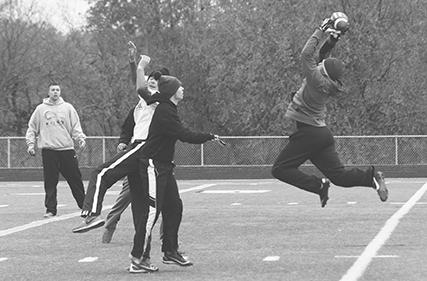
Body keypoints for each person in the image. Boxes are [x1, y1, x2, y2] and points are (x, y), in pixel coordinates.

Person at [271, 13, 389, 208]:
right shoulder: (325, 81)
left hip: (309, 133)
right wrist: (332, 39)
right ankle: (372, 177)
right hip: (321, 134)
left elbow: (306, 55)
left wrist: (321, 28)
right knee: (340, 177)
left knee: (280, 169)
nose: (320, 63)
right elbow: (322, 57)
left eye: (322, 65)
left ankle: (318, 185)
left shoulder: (315, 79)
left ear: (323, 71)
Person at [133, 74, 224, 268]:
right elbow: (183, 135)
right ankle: (138, 257)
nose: (183, 90)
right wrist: (209, 136)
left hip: (164, 166)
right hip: (153, 165)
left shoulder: (169, 108)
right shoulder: (165, 111)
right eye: (180, 87)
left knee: (174, 207)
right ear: (172, 91)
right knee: (151, 212)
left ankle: (170, 251)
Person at [102, 42, 169, 245]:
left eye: (155, 82)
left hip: (156, 156)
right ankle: (108, 227)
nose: (150, 83)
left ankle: (168, 240)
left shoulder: (161, 101)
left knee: (166, 200)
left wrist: (139, 66)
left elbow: (141, 86)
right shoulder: (139, 105)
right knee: (126, 196)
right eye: (149, 80)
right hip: (137, 152)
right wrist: (133, 63)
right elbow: (127, 126)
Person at [25, 81, 86, 218]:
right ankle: (51, 209)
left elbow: (75, 126)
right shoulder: (40, 109)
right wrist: (30, 144)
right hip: (49, 151)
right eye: (52, 90)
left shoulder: (68, 108)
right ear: (48, 92)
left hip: (66, 150)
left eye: (57, 90)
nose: (55, 92)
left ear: (60, 92)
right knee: (50, 181)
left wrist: (80, 138)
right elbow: (32, 128)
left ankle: (85, 207)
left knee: (75, 179)